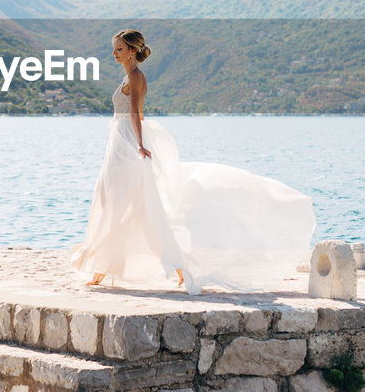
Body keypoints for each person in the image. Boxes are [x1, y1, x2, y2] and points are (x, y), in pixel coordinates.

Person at [69, 29, 316, 294]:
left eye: (118, 49)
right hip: (118, 143)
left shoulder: (136, 76)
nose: (114, 53)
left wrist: (140, 145)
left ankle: (110, 268)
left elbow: (135, 114)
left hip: (126, 145)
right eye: (114, 48)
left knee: (127, 206)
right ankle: (135, 266)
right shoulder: (128, 76)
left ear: (131, 50)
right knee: (119, 204)